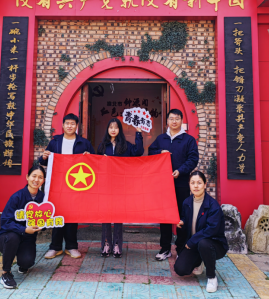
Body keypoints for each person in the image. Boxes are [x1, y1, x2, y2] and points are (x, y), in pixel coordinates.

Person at [39, 113, 95, 260]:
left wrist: (89, 156)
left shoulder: (84, 143)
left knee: (72, 215)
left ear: (77, 126)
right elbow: (44, 162)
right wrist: (44, 157)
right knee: (57, 213)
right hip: (58, 185)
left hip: (76, 185)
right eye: (67, 123)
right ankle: (55, 247)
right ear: (63, 125)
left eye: (72, 123)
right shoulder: (55, 142)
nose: (70, 126)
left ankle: (71, 246)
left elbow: (94, 162)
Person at [148, 108, 199, 261]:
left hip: (181, 184)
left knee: (181, 217)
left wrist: (180, 171)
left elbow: (193, 159)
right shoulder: (161, 138)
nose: (174, 121)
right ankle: (165, 248)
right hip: (163, 184)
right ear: (168, 121)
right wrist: (160, 152)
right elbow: (150, 151)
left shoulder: (188, 140)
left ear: (181, 121)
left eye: (177, 118)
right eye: (171, 118)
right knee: (164, 217)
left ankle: (181, 249)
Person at [96, 118, 144, 258]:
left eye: (116, 127)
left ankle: (117, 244)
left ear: (119, 130)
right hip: (105, 186)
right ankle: (106, 244)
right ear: (107, 129)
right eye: (111, 127)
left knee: (118, 215)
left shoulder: (126, 145)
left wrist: (138, 133)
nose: (113, 130)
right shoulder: (102, 146)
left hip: (121, 186)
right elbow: (96, 164)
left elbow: (139, 151)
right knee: (106, 214)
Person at [174, 171, 228, 293]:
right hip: (194, 244)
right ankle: (200, 261)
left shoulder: (213, 205)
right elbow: (185, 218)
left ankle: (212, 277)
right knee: (180, 269)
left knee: (204, 243)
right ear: (189, 185)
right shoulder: (187, 202)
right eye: (192, 183)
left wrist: (192, 241)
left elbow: (211, 229)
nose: (196, 186)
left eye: (199, 183)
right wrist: (181, 222)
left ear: (205, 184)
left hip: (213, 244)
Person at [0, 164, 46, 289]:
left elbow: (47, 219)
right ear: (27, 177)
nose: (36, 180)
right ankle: (6, 273)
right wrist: (24, 229)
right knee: (13, 238)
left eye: (40, 177)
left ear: (44, 180)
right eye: (34, 176)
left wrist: (44, 225)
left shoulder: (44, 198)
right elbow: (5, 221)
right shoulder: (17, 197)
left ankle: (22, 261)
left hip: (28, 238)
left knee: (27, 262)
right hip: (8, 236)